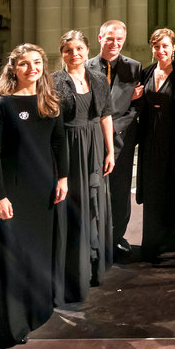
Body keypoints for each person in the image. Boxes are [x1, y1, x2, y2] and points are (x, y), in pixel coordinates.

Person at [0, 44, 69, 349]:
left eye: (36, 63)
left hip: (41, 191)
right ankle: (9, 326)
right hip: (11, 193)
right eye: (24, 64)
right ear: (13, 69)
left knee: (36, 254)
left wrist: (63, 177)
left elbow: (59, 141)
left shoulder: (50, 101)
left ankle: (36, 312)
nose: (32, 68)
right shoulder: (1, 105)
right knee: (11, 259)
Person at [53, 30, 114, 303]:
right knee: (72, 205)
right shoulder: (53, 81)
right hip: (68, 145)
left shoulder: (99, 79)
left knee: (94, 201)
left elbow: (105, 116)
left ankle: (93, 264)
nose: (74, 53)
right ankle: (71, 271)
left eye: (79, 48)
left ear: (87, 50)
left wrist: (110, 150)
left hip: (95, 145)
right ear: (62, 53)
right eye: (68, 49)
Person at [136, 28, 175, 260]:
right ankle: (151, 239)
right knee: (152, 186)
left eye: (165, 46)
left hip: (173, 136)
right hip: (150, 137)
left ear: (174, 47)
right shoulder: (145, 73)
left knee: (171, 186)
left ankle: (170, 236)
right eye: (156, 46)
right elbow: (137, 105)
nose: (160, 50)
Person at [86, 19, 143, 262]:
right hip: (93, 141)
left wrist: (113, 130)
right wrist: (100, 132)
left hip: (123, 141)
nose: (114, 43)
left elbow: (136, 107)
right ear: (100, 38)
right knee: (95, 191)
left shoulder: (134, 67)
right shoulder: (86, 67)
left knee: (120, 192)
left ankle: (118, 236)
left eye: (119, 39)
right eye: (109, 38)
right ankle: (95, 240)